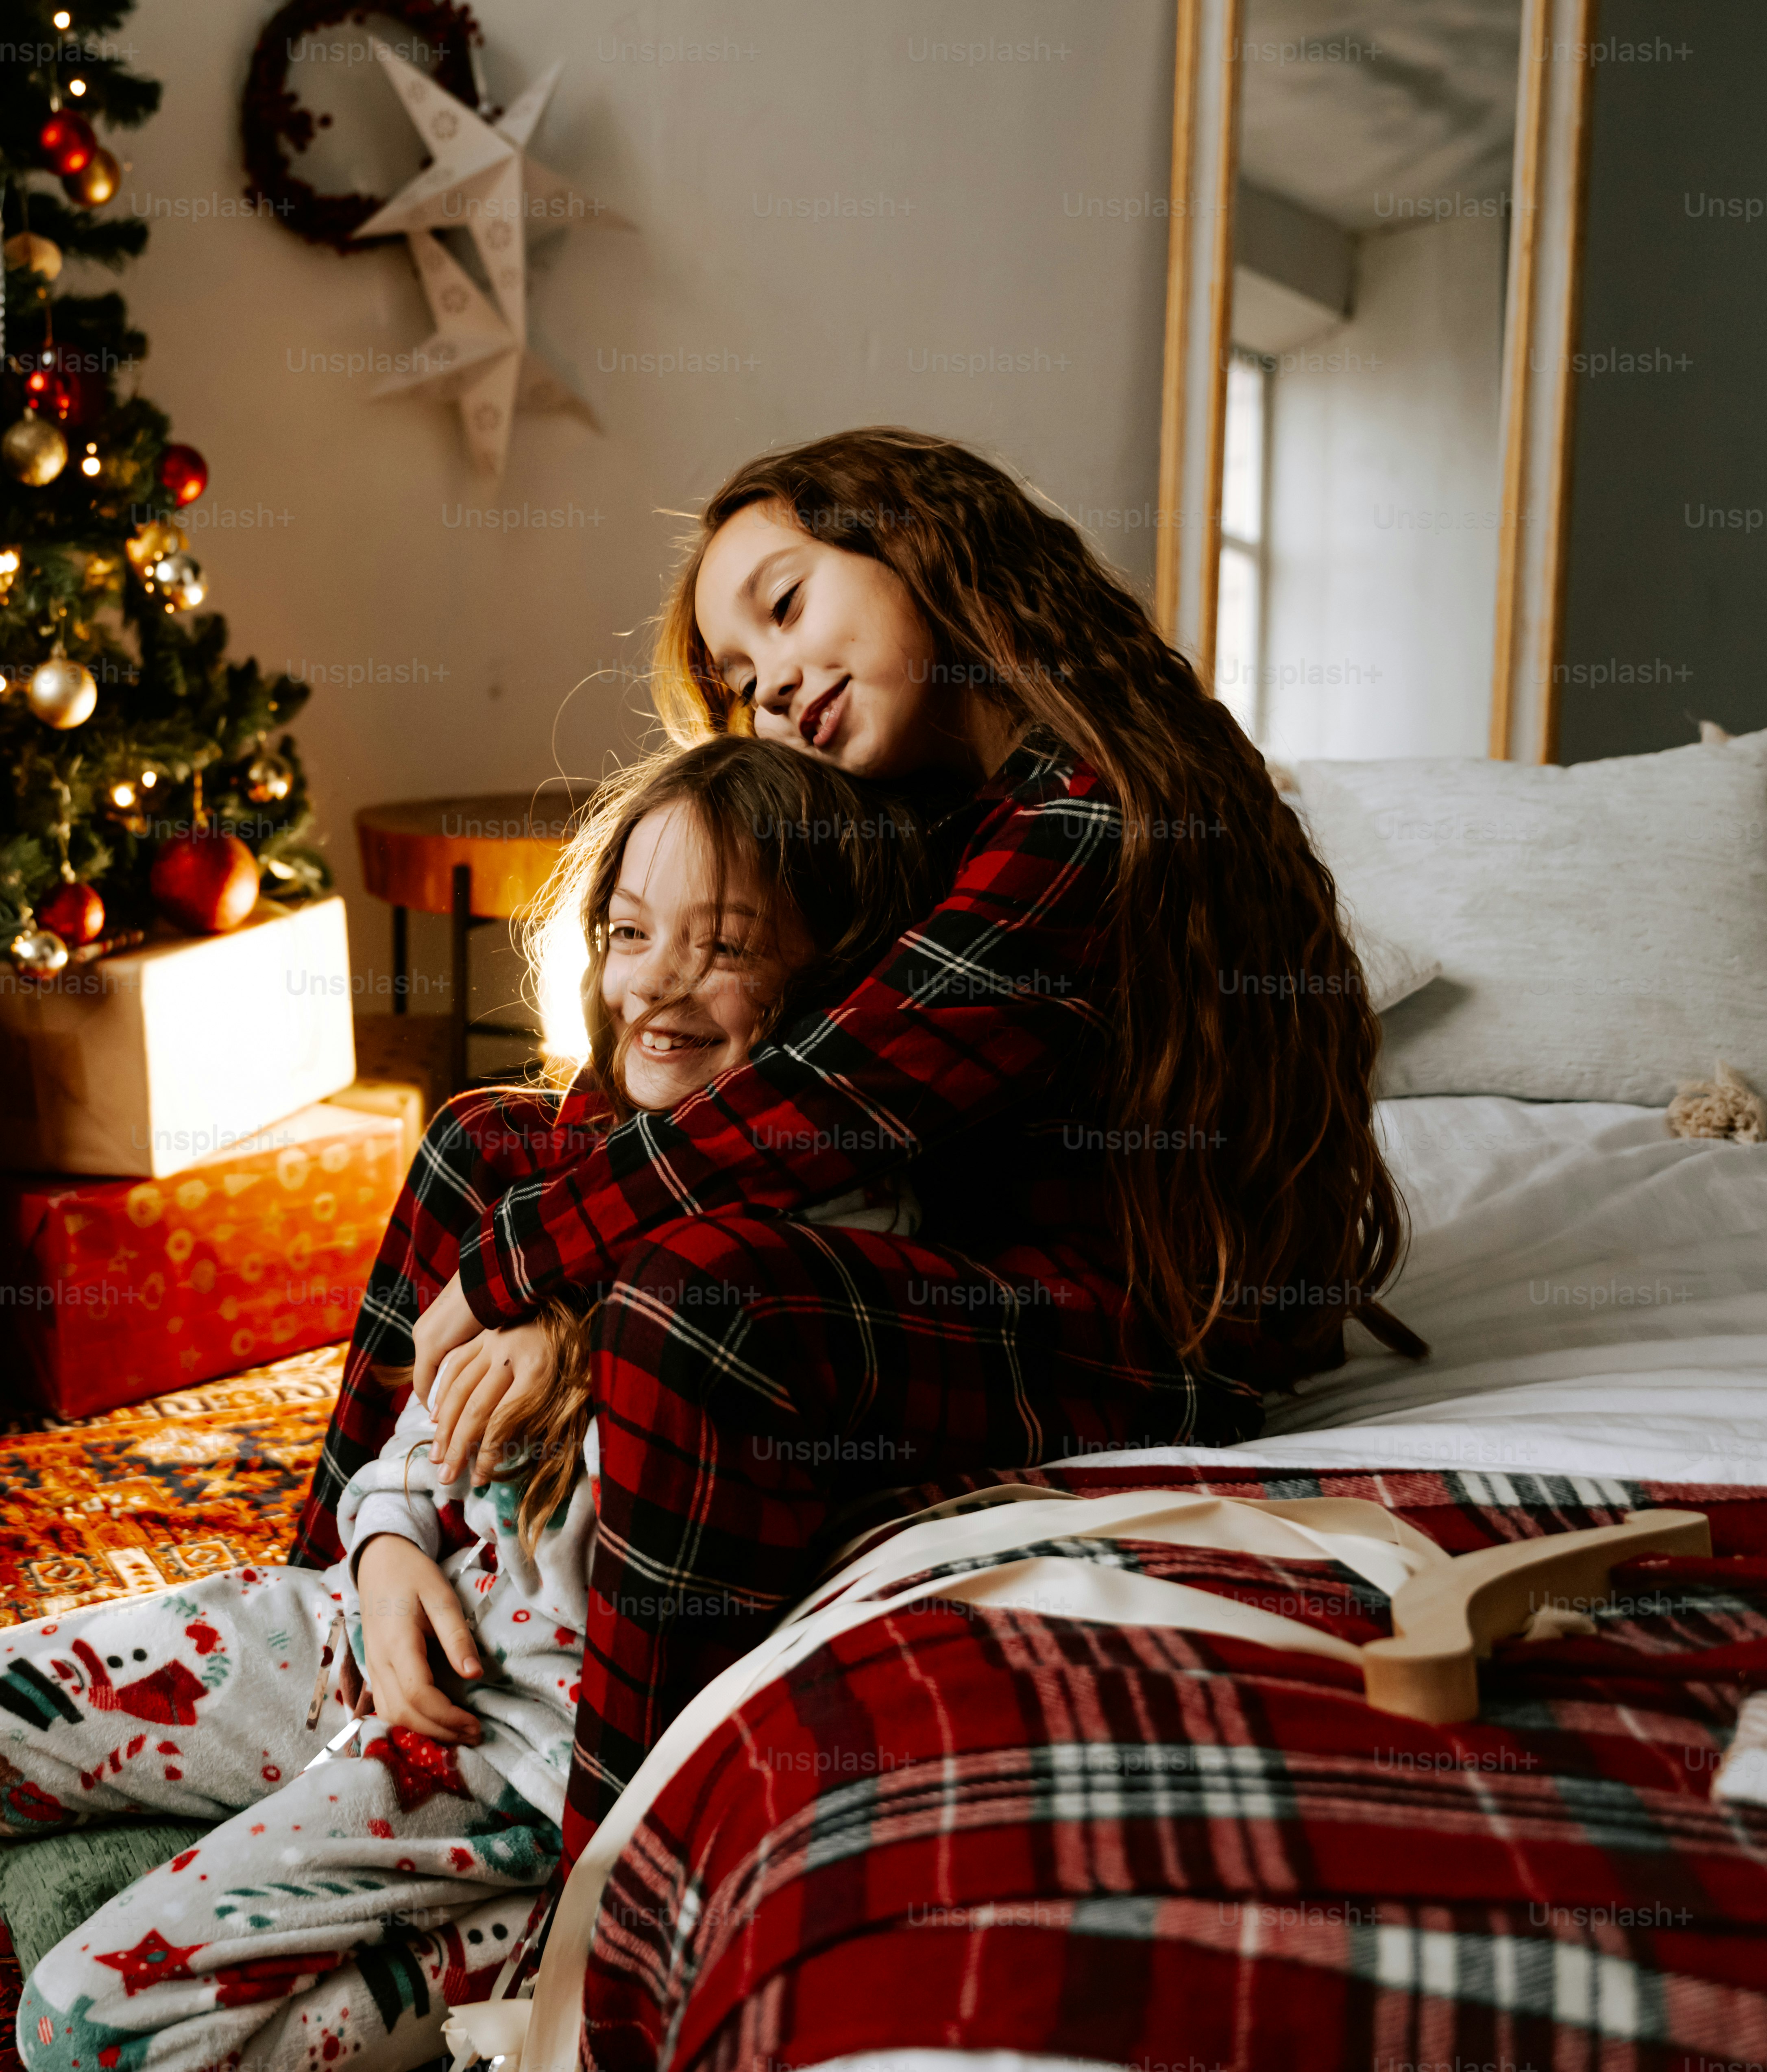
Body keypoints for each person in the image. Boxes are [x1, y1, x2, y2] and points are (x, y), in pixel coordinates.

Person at [317, 427, 1412, 1863]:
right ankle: (342, 1600)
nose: (763, 681)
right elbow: (712, 1068)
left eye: (781, 607)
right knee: (482, 1141)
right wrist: (540, 1277)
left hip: (1142, 1336)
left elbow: (830, 1101)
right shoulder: (914, 817)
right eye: (733, 671)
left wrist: (532, 1269)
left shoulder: (1099, 810)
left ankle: (607, 1868)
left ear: (925, 550)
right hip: (931, 1250)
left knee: (696, 1294)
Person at [0, 736, 931, 2072]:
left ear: (831, 991)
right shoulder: (579, 1194)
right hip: (373, 1630)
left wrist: (595, 1325)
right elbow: (420, 1438)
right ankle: (312, 1802)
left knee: (85, 2033)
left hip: (521, 1762)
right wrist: (383, 1554)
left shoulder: (823, 1263)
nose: (657, 984)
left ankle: (511, 1935)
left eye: (724, 947)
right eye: (627, 933)